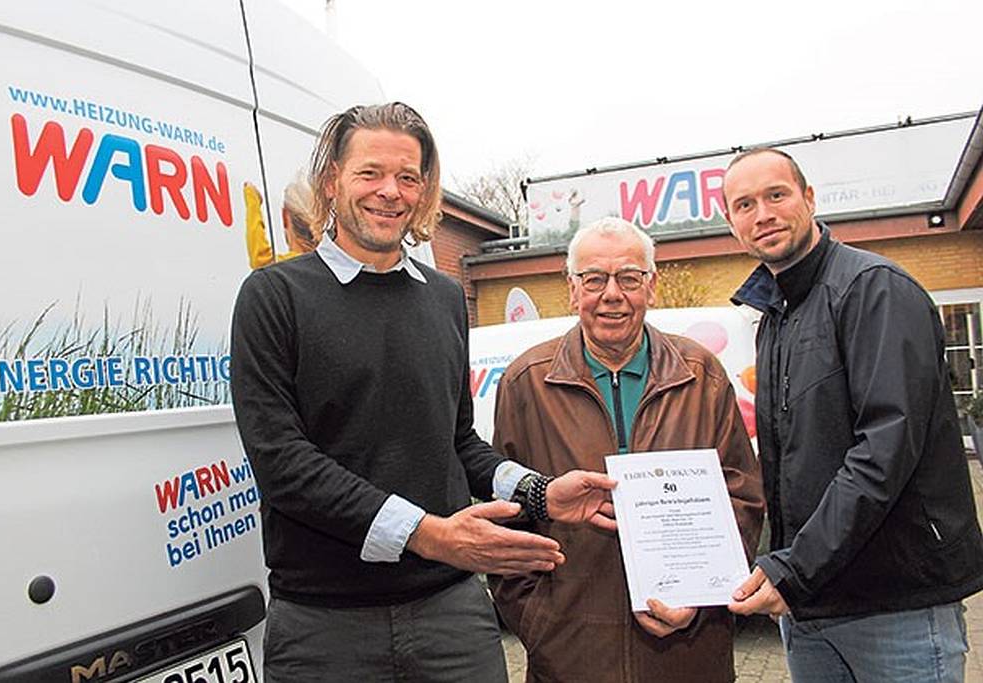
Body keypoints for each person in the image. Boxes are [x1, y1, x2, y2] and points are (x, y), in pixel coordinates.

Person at [230, 102, 617, 682]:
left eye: (408, 177)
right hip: (325, 626)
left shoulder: (441, 298)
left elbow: (459, 440)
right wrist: (430, 535)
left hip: (450, 617)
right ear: (332, 180)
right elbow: (282, 462)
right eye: (370, 173)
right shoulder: (273, 297)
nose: (390, 191)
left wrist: (539, 494)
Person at [725, 148, 983, 682]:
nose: (763, 214)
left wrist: (793, 568)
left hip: (896, 607)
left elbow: (883, 451)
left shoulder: (874, 290)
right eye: (745, 204)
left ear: (809, 198)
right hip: (812, 608)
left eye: (777, 195)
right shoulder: (776, 314)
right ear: (732, 224)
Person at [489, 216, 765, 682]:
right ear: (573, 290)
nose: (611, 294)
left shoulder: (702, 375)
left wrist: (700, 600)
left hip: (688, 654)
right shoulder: (526, 382)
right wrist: (539, 623)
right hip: (570, 659)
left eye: (629, 278)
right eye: (594, 279)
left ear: (650, 286)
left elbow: (742, 498)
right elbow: (508, 511)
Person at [244, 172, 317, 269]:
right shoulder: (330, 263)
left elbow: (261, 260)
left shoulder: (292, 265)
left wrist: (252, 200)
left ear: (285, 217)